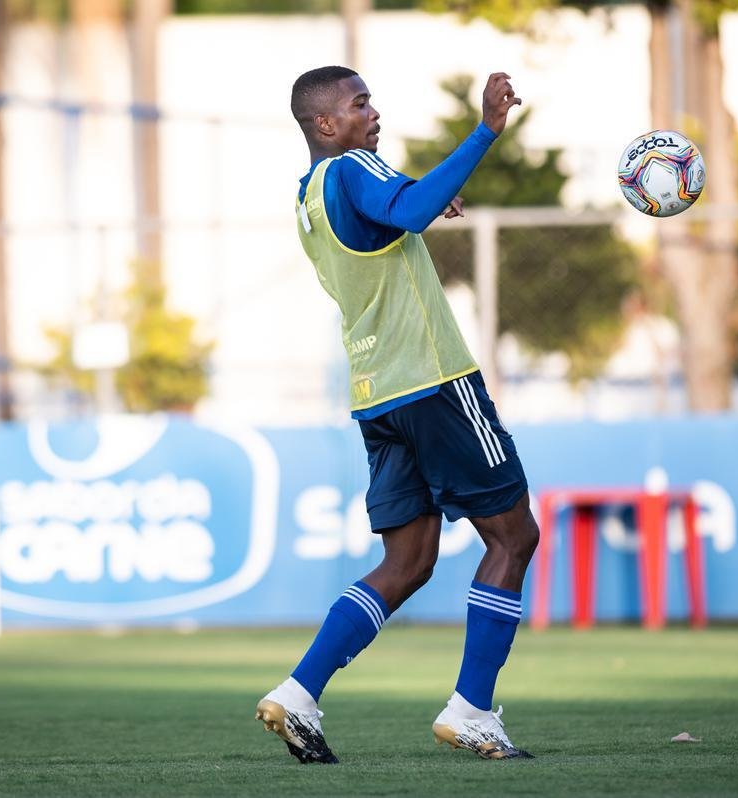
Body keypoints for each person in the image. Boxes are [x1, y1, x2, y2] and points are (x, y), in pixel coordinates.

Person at [255, 66, 540, 764]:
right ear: (327, 124)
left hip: (378, 393)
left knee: (408, 560)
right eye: (359, 104)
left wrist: (419, 201)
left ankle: (299, 692)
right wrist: (484, 133)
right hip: (435, 381)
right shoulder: (352, 165)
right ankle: (472, 709)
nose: (372, 112)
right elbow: (404, 210)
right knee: (513, 537)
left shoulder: (308, 197)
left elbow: (391, 219)